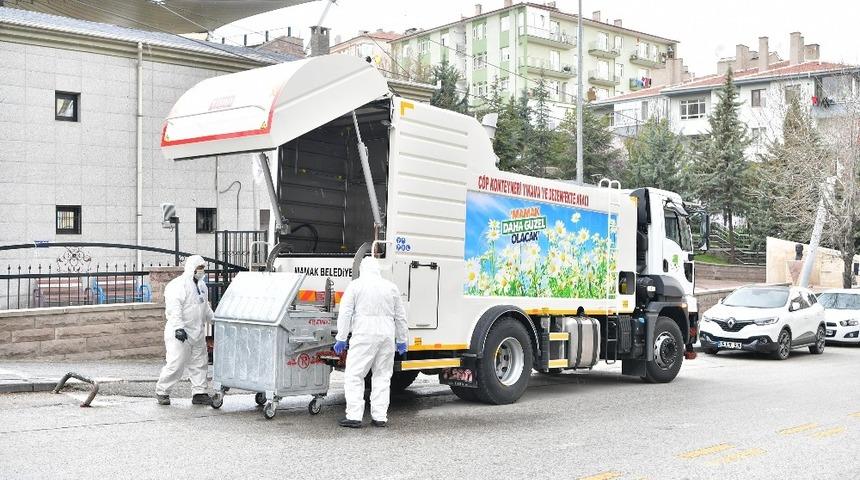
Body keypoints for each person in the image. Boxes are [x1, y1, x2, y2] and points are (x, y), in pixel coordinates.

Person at [334, 256, 408, 428]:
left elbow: (345, 313)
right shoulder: (391, 287)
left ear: (362, 269)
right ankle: (380, 417)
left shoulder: (356, 286)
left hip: (364, 335)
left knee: (355, 375)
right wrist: (402, 340)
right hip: (387, 336)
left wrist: (341, 338)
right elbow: (400, 316)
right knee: (382, 375)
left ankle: (354, 416)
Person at [155, 255, 214, 406]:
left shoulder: (201, 286)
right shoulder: (178, 285)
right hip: (180, 332)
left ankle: (199, 393)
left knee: (200, 362)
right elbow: (174, 309)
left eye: (203, 268)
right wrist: (179, 327)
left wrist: (215, 320)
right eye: (199, 268)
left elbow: (205, 308)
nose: (201, 271)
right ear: (192, 268)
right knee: (176, 363)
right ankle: (162, 391)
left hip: (197, 331)